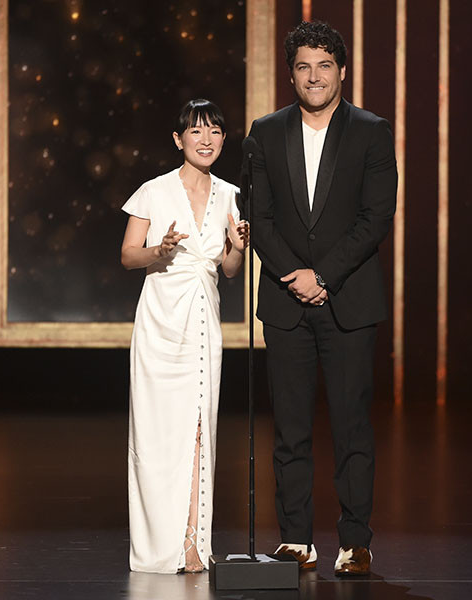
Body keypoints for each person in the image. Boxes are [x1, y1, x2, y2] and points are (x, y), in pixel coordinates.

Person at [246, 21, 397, 576]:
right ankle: (295, 538)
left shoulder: (371, 131)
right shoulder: (264, 132)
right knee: (289, 427)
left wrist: (323, 276)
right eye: (304, 66)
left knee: (352, 424)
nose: (314, 76)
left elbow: (376, 215)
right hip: (287, 305)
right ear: (291, 74)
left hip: (349, 303)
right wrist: (294, 274)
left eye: (324, 65)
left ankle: (355, 540)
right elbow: (257, 218)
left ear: (342, 70)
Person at [121, 99, 249, 574]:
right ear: (179, 140)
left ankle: (195, 545)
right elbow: (129, 256)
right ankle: (159, 547)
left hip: (203, 322)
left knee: (200, 429)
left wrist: (237, 247)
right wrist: (161, 248)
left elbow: (229, 270)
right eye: (196, 132)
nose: (206, 140)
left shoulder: (232, 194)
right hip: (160, 322)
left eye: (215, 131)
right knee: (158, 436)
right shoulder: (153, 191)